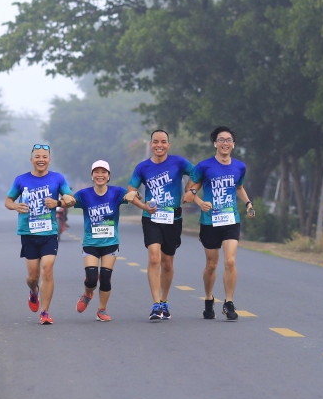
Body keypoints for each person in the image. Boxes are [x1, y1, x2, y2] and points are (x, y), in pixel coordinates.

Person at [184, 126, 255, 321]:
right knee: (211, 264)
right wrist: (200, 202)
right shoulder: (204, 166)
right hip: (209, 222)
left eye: (229, 140)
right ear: (215, 143)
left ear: (233, 144)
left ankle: (229, 302)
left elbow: (238, 187)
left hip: (231, 220)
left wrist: (248, 203)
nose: (225, 143)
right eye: (221, 140)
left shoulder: (240, 167)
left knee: (230, 261)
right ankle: (208, 299)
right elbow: (188, 192)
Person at [127, 129, 194, 321]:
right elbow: (131, 191)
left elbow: (198, 175)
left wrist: (191, 191)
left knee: (167, 262)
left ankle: (164, 300)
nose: (159, 145)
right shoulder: (142, 167)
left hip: (173, 217)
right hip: (152, 217)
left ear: (168, 145)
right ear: (151, 144)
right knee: (154, 258)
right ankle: (155, 304)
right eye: (155, 142)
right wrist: (142, 204)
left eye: (163, 142)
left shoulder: (179, 162)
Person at [5, 145, 74, 325]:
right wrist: (15, 206)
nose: (41, 159)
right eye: (37, 156)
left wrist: (58, 201)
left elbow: (70, 199)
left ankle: (45, 312)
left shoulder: (57, 178)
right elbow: (8, 200)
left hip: (50, 231)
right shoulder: (21, 180)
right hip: (28, 232)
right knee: (33, 276)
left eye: (45, 156)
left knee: (48, 270)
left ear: (49, 160)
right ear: (32, 160)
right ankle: (34, 291)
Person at [73, 160, 137, 322]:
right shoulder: (84, 194)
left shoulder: (117, 192)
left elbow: (133, 195)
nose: (100, 175)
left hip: (110, 242)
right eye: (96, 172)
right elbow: (69, 202)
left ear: (108, 176)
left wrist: (136, 194)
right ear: (92, 175)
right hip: (91, 243)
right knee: (92, 277)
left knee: (106, 278)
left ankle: (102, 310)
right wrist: (61, 201)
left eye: (103, 172)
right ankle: (87, 295)